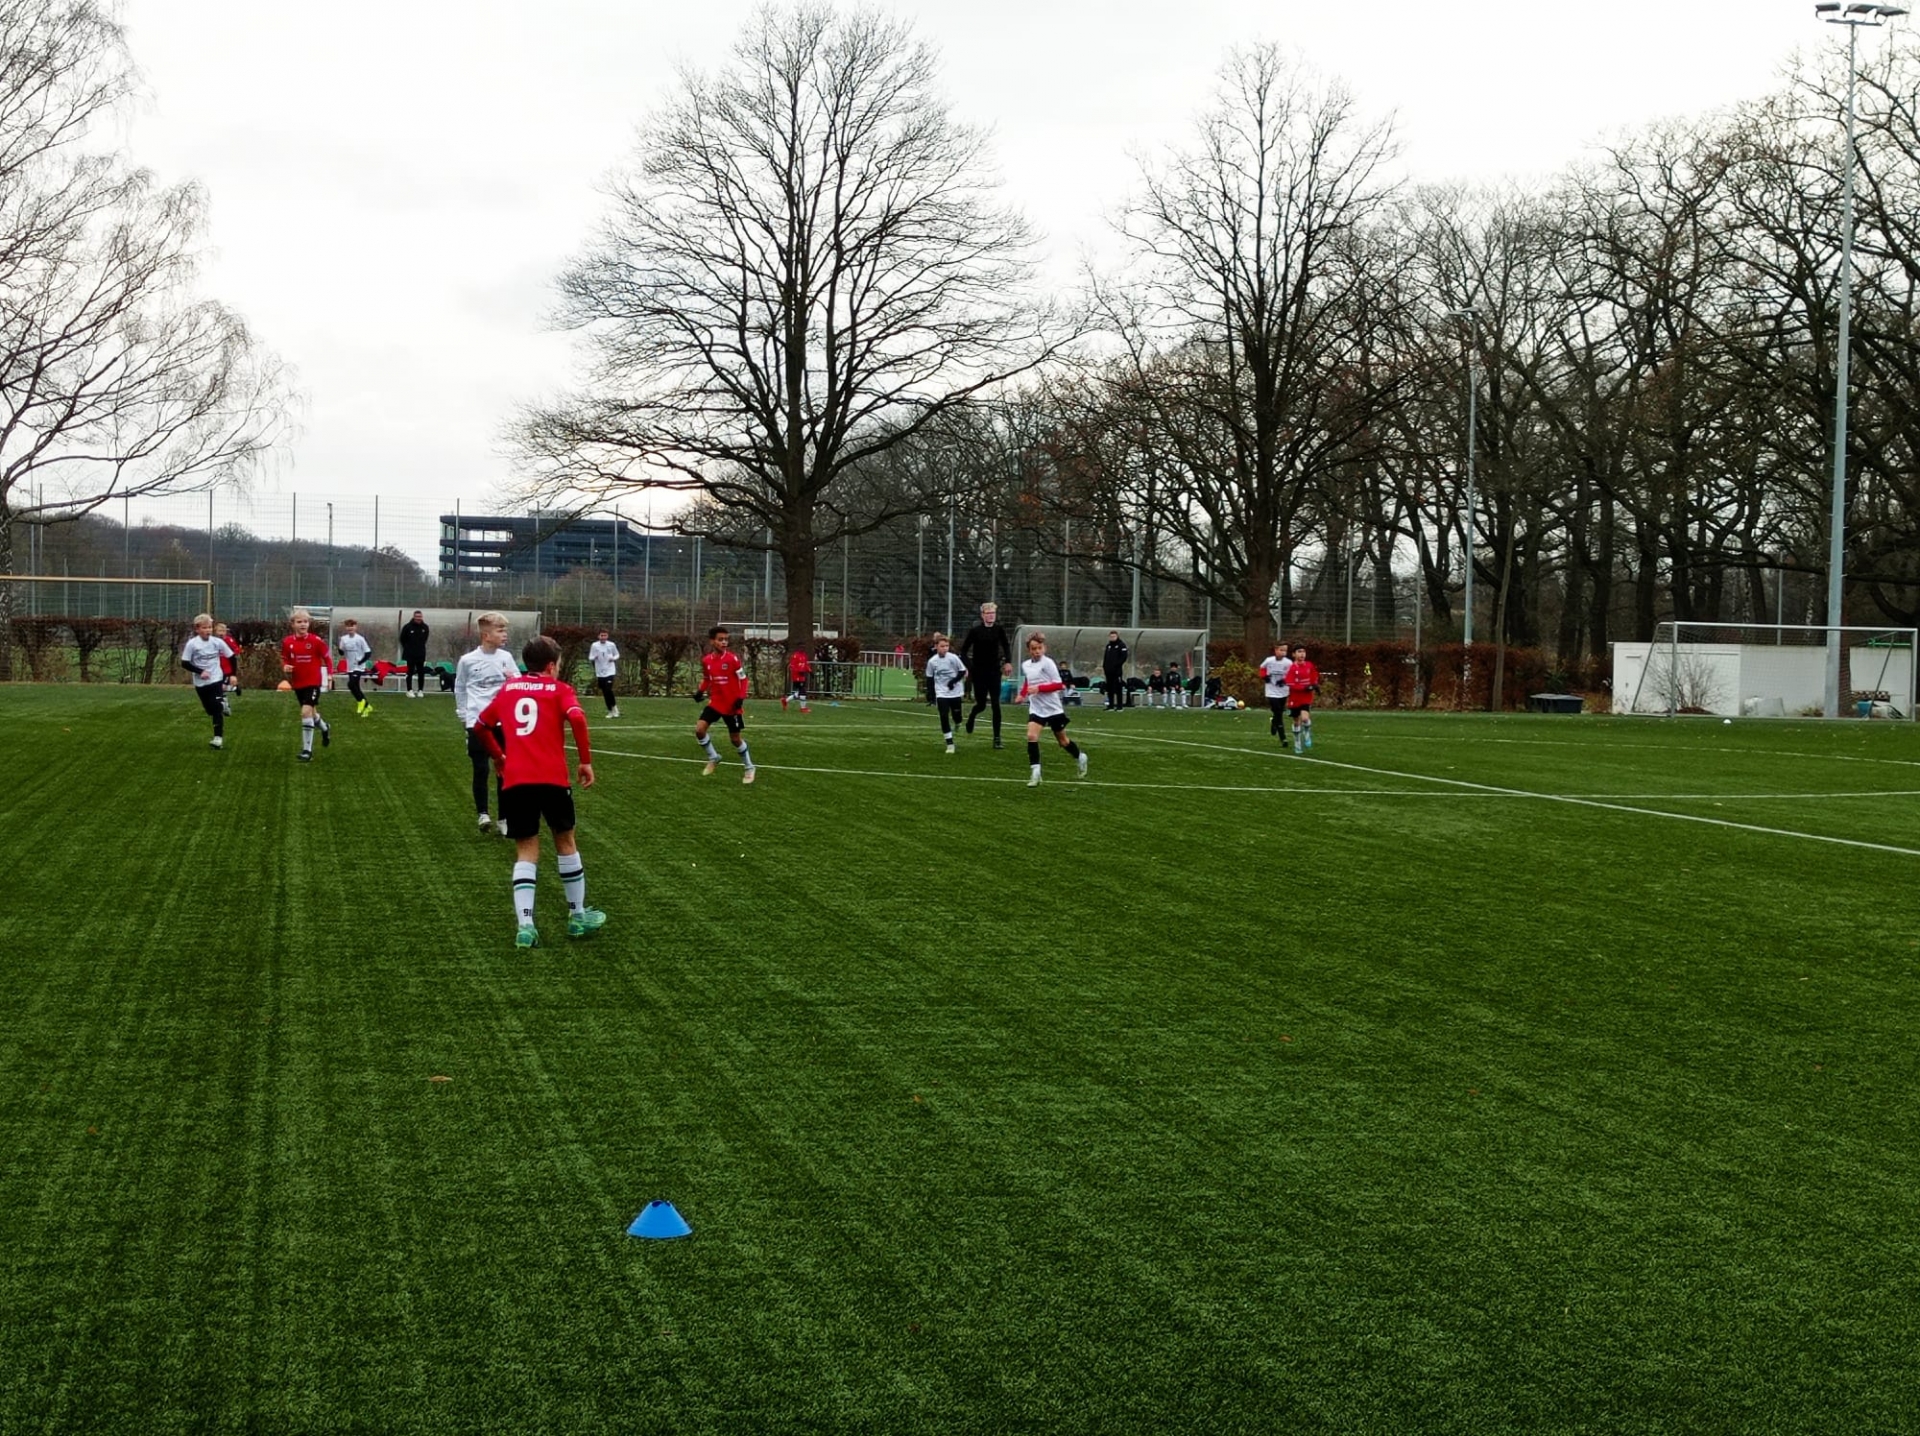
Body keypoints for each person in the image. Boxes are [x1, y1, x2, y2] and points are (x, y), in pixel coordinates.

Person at [476, 634, 606, 949]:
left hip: (517, 781)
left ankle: (525, 927)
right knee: (566, 842)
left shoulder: (509, 689)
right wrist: (585, 761)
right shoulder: (560, 689)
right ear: (551, 666)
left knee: (526, 850)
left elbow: (481, 726)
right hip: (552, 780)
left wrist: (499, 757)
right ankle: (576, 916)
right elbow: (577, 717)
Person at [455, 612, 520, 833]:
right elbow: (460, 688)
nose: (505, 634)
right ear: (486, 635)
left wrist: (512, 679)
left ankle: (504, 818)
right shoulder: (467, 661)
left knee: (504, 769)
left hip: (502, 722)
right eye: (500, 631)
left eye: (505, 630)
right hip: (477, 722)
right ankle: (483, 814)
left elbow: (518, 683)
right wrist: (463, 715)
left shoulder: (506, 657)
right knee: (481, 768)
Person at [1017, 632, 1087, 787]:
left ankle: (1080, 757)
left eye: (1039, 648)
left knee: (1063, 741)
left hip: (1053, 709)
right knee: (1031, 736)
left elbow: (1058, 685)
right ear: (1029, 650)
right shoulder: (1026, 665)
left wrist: (1039, 689)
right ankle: (1035, 773)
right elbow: (1028, 681)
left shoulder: (1048, 663)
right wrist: (1022, 694)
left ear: (1044, 648)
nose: (1037, 651)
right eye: (1034, 648)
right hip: (1037, 708)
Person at [694, 624, 756, 783]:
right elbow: (707, 679)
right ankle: (714, 757)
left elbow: (744, 679)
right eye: (720, 639)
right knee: (699, 730)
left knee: (735, 740)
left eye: (726, 640)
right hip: (716, 703)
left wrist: (741, 697)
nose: (724, 642)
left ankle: (749, 767)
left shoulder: (732, 659)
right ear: (712, 641)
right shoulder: (707, 661)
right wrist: (700, 691)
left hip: (732, 706)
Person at [280, 608, 332, 762]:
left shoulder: (316, 641)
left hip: (313, 682)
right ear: (293, 624)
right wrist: (285, 666)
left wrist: (330, 675)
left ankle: (307, 751)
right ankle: (325, 728)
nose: (303, 624)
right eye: (299, 622)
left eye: (305, 622)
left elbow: (328, 658)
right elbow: (285, 658)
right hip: (298, 683)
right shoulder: (288, 642)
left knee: (305, 712)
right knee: (312, 714)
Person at [958, 601, 1013, 747]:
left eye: (993, 613)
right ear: (982, 615)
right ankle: (972, 716)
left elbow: (1006, 646)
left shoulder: (999, 630)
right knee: (981, 704)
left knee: (996, 704)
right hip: (979, 672)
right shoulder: (975, 631)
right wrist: (971, 668)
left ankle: (997, 738)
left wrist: (1008, 662)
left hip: (994, 671)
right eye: (988, 613)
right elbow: (963, 652)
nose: (991, 616)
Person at [180, 613, 234, 750]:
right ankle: (223, 703)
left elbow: (232, 657)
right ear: (197, 629)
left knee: (216, 709)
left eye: (209, 627)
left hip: (216, 679)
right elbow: (184, 663)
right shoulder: (192, 644)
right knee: (210, 710)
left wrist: (233, 675)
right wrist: (200, 671)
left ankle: (218, 738)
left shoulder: (217, 642)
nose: (208, 630)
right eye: (204, 628)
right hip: (200, 683)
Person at [925, 633, 968, 753]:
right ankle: (950, 744)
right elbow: (929, 678)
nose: (945, 648)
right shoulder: (932, 661)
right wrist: (931, 694)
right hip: (941, 693)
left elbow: (962, 671)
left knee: (957, 716)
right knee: (943, 716)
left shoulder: (953, 658)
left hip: (955, 692)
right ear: (936, 646)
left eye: (947, 646)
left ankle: (958, 722)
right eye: (942, 646)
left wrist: (953, 682)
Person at [1285, 643, 1321, 753]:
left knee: (1305, 718)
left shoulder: (1309, 665)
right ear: (1294, 654)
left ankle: (1307, 732)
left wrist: (1315, 685)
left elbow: (1314, 676)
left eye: (1303, 652)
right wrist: (1303, 687)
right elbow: (1290, 683)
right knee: (1296, 721)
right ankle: (1297, 741)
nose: (1302, 654)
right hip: (1295, 698)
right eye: (1299, 652)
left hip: (1306, 697)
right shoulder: (1292, 668)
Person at [337, 617, 374, 718]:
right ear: (346, 628)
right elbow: (341, 652)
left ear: (355, 627)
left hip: (358, 666)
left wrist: (360, 661)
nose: (350, 628)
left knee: (351, 684)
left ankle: (361, 701)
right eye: (348, 626)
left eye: (352, 626)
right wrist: (340, 648)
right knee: (355, 687)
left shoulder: (360, 639)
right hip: (350, 666)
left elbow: (368, 652)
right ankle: (367, 706)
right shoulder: (344, 639)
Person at [1259, 640, 1293, 744]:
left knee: (1279, 711)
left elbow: (1291, 674)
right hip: (1271, 691)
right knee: (1278, 712)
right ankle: (1283, 737)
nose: (1283, 652)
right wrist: (1265, 677)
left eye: (1285, 650)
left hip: (1283, 691)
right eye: (1281, 650)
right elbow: (1262, 668)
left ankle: (1274, 722)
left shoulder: (1288, 663)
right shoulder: (1269, 661)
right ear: (1276, 650)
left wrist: (1284, 680)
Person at [588, 629, 621, 717]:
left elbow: (617, 655)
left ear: (607, 636)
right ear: (598, 636)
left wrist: (613, 658)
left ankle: (614, 709)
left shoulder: (611, 645)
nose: (603, 637)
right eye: (601, 635)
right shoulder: (594, 645)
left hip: (610, 671)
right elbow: (590, 657)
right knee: (605, 692)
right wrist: (594, 657)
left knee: (608, 689)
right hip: (600, 672)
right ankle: (610, 710)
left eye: (605, 635)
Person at [399, 610, 431, 698]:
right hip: (410, 654)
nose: (418, 618)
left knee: (421, 672)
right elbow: (402, 639)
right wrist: (408, 648)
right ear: (413, 617)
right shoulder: (407, 627)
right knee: (410, 672)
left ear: (422, 617)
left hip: (421, 654)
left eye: (419, 617)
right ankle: (409, 690)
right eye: (416, 617)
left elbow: (425, 639)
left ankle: (420, 690)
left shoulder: (425, 627)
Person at [213, 622, 240, 710]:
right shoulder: (213, 641)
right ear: (215, 632)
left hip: (227, 669)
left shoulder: (229, 640)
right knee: (218, 687)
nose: (221, 633)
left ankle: (223, 705)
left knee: (221, 687)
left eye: (223, 631)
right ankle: (233, 689)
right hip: (217, 668)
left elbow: (236, 650)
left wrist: (232, 653)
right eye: (219, 631)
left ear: (226, 632)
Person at [1101, 630, 1129, 709]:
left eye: (1114, 636)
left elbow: (1124, 657)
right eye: (1111, 636)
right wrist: (1105, 666)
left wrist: (1116, 665)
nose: (1112, 638)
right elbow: (1106, 657)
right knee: (1110, 688)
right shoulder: (1108, 646)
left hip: (1117, 671)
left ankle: (1119, 706)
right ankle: (1111, 705)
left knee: (1118, 687)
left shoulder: (1121, 645)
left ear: (1117, 636)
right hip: (1108, 671)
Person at [783, 645, 811, 712]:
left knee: (800, 692)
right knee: (802, 691)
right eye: (801, 647)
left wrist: (810, 671)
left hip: (802, 676)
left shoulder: (804, 655)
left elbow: (805, 664)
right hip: (796, 677)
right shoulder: (795, 656)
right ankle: (803, 708)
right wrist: (799, 672)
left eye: (804, 647)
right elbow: (792, 666)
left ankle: (785, 700)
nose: (802, 649)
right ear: (798, 648)